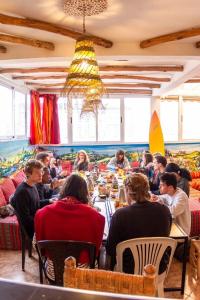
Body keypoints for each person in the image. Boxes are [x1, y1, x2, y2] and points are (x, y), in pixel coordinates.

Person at [35, 174, 105, 270]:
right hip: (84, 272)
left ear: (64, 189)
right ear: (84, 192)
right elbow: (97, 248)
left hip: (54, 271)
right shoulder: (96, 217)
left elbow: (38, 246)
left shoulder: (41, 214)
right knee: (103, 254)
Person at [106, 173, 172, 272]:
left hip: (129, 270)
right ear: (147, 190)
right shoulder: (164, 210)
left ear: (128, 191)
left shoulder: (120, 215)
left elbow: (110, 249)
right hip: (157, 268)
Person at [11, 159, 43, 239]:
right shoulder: (22, 192)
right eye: (37, 172)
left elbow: (35, 204)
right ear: (28, 173)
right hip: (31, 228)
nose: (41, 175)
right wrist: (42, 222)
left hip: (36, 219)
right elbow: (26, 219)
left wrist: (50, 201)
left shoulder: (32, 185)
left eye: (41, 172)